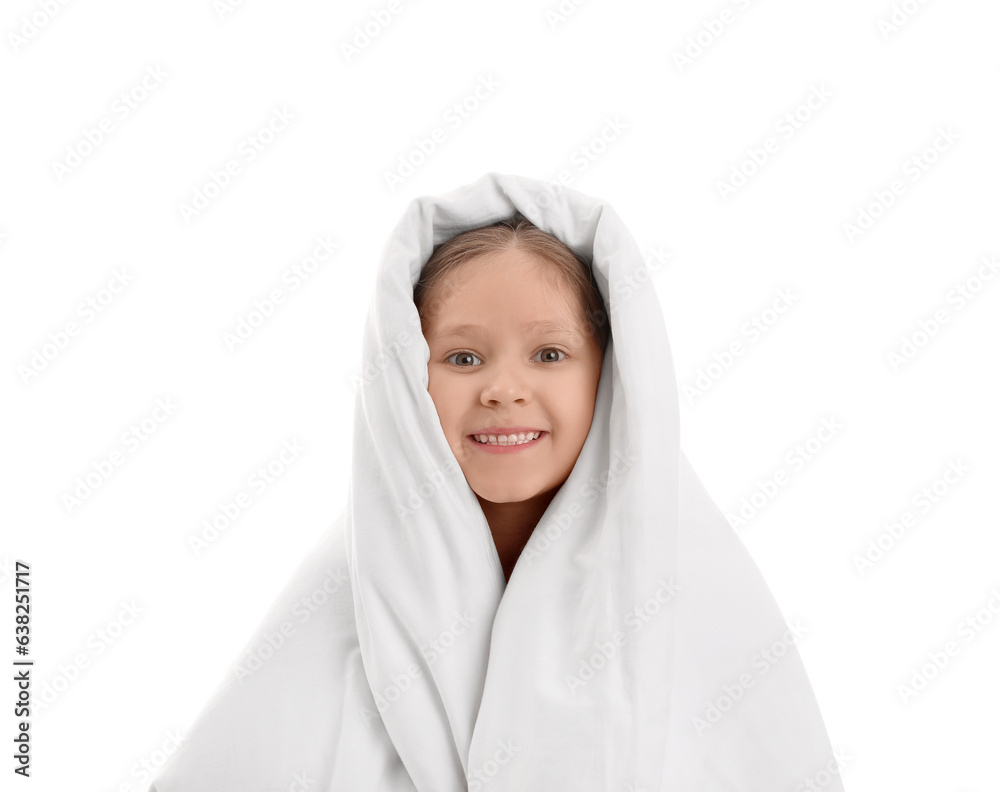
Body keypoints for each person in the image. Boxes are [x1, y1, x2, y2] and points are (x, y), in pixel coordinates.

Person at [149, 172, 846, 791]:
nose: (503, 390)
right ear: (404, 379)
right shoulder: (340, 601)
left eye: (549, 353)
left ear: (612, 372)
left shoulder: (694, 588)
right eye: (461, 356)